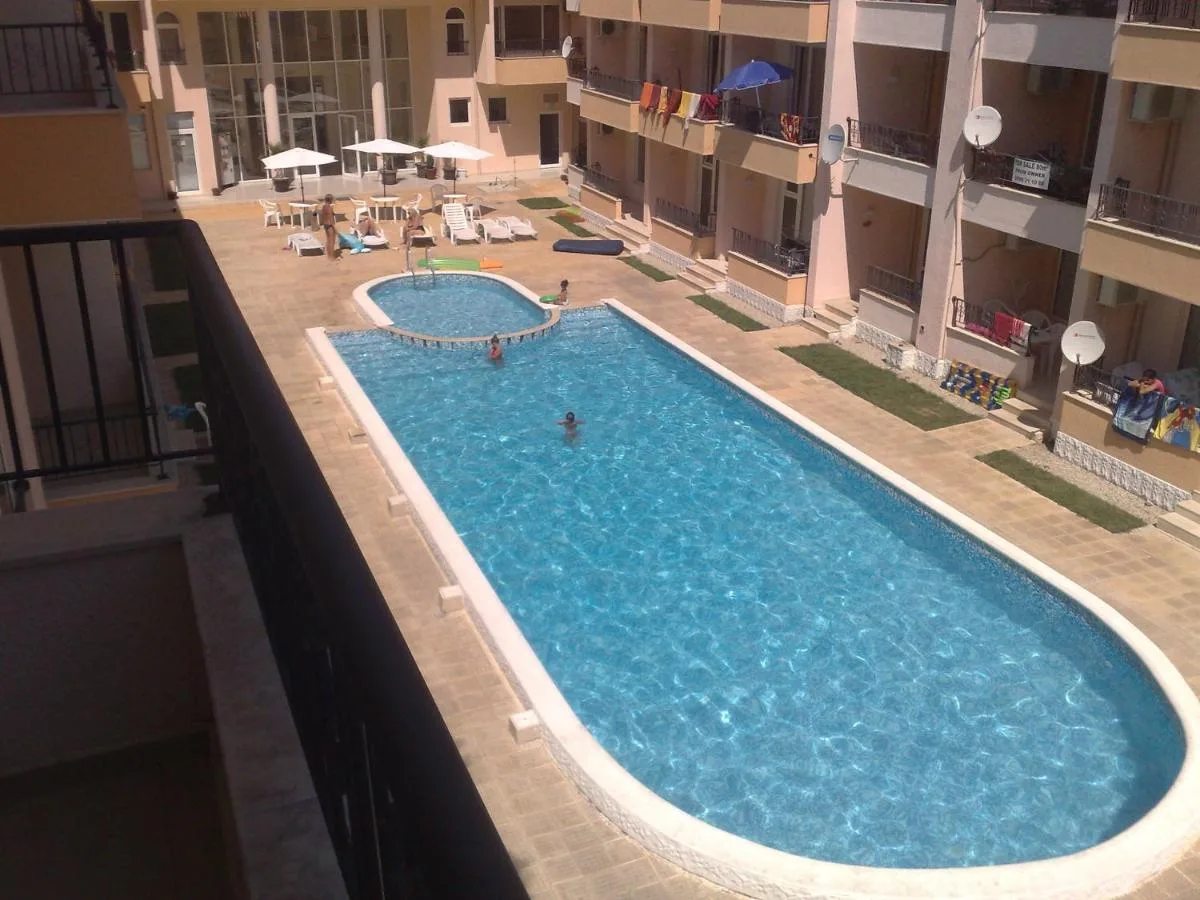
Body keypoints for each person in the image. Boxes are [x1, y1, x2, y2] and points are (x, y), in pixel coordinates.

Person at [319, 194, 338, 261]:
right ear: (330, 200)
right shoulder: (330, 208)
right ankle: (332, 257)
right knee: (332, 242)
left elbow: (322, 216)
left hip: (325, 225)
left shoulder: (324, 207)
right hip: (330, 225)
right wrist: (335, 229)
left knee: (328, 240)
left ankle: (328, 255)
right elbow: (331, 219)